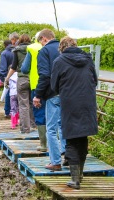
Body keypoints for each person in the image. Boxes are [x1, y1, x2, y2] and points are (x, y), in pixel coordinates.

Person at [51, 36, 98, 189]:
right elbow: (95, 80)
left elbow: (54, 86)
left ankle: (75, 180)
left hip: (70, 103)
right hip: (88, 103)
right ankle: (81, 174)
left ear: (61, 48)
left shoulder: (59, 61)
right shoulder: (88, 59)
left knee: (71, 139)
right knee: (83, 138)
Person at [33, 29, 66, 170]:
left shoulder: (44, 52)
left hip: (52, 94)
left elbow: (44, 75)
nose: (40, 44)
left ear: (44, 39)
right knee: (63, 125)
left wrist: (38, 95)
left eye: (40, 41)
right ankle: (66, 154)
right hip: (67, 92)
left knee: (51, 129)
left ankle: (55, 161)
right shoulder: (63, 49)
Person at [21, 32, 47, 152]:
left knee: (40, 113)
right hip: (54, 86)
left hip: (37, 85)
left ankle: (43, 144)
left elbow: (25, 69)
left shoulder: (32, 48)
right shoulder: (55, 47)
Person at [5, 34, 36, 133]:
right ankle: (34, 125)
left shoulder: (17, 50)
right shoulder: (34, 50)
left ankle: (25, 129)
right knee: (32, 103)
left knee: (23, 104)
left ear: (20, 41)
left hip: (22, 79)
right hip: (33, 79)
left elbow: (13, 67)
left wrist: (7, 78)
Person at [0, 40, 14, 118]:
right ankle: (15, 111)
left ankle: (7, 111)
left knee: (8, 93)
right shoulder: (16, 51)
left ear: (5, 45)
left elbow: (3, 67)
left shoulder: (4, 53)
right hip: (18, 75)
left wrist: (2, 78)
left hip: (9, 75)